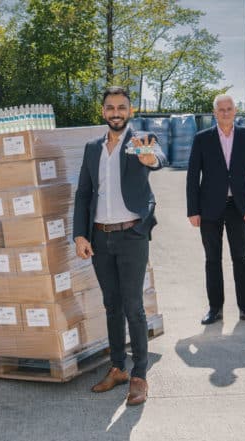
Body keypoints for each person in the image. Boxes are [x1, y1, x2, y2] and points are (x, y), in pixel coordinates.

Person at [73, 86, 167, 406]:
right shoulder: (91, 148)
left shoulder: (141, 140)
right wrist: (80, 235)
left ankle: (139, 375)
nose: (116, 112)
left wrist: (148, 156)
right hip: (100, 237)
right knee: (111, 305)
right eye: (110, 107)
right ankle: (117, 368)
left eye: (122, 107)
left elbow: (157, 159)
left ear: (130, 110)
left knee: (133, 306)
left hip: (131, 236)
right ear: (103, 112)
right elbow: (84, 194)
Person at [186, 94, 245, 326]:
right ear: (214, 113)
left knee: (241, 258)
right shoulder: (202, 139)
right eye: (220, 109)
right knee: (212, 259)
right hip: (209, 208)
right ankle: (215, 308)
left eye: (229, 108)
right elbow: (193, 176)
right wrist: (193, 210)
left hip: (239, 207)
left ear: (235, 111)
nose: (225, 113)